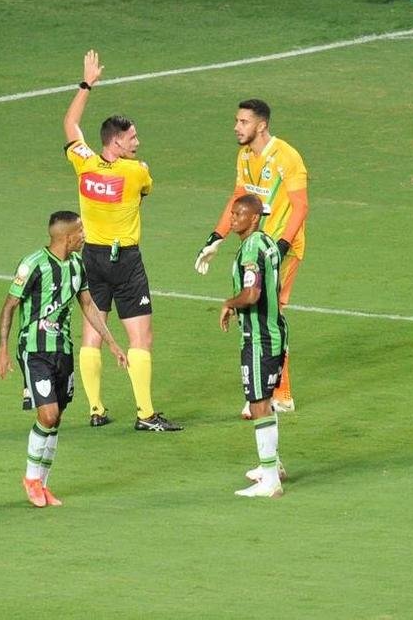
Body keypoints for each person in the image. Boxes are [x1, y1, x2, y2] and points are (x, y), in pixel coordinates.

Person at [63, 50, 181, 432]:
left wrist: (87, 83)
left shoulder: (84, 162)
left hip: (90, 258)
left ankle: (96, 409)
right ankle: (145, 414)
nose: (137, 142)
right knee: (140, 336)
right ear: (115, 141)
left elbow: (70, 123)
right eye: (131, 137)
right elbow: (144, 189)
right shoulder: (136, 172)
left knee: (92, 333)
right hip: (125, 260)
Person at [0, 211, 127, 507]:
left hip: (62, 349)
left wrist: (112, 343)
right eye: (81, 232)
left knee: (56, 421)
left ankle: (43, 485)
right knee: (48, 415)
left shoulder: (78, 265)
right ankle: (31, 478)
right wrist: (3, 348)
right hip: (35, 350)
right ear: (67, 237)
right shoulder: (33, 265)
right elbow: (9, 306)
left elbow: (88, 306)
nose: (84, 236)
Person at [195, 99, 308, 418]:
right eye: (236, 120)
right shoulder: (244, 156)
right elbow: (237, 200)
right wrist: (216, 237)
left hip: (281, 248)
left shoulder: (287, 157)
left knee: (269, 314)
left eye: (243, 122)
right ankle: (269, 391)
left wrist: (281, 247)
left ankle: (276, 393)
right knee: (257, 313)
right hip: (255, 246)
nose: (236, 127)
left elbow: (300, 206)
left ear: (261, 125)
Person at [220, 195, 287, 498]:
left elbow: (251, 294)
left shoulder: (250, 249)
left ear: (254, 218)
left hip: (259, 338)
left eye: (239, 214)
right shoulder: (268, 243)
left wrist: (229, 303)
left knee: (258, 404)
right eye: (232, 214)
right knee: (266, 401)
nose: (233, 219)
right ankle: (272, 465)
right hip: (274, 332)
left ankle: (270, 480)